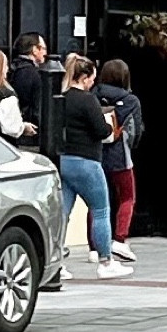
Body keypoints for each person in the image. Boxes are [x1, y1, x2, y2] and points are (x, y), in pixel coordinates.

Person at [59, 58, 129, 280]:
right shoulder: (87, 100)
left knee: (62, 214)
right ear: (84, 77)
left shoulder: (60, 98)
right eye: (91, 77)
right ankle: (106, 262)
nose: (93, 82)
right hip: (87, 161)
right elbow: (101, 130)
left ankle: (56, 263)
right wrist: (109, 124)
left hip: (64, 160)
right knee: (100, 210)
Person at [96, 58, 144, 263]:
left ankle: (94, 247)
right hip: (120, 155)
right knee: (127, 197)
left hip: (95, 154)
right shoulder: (131, 100)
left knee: (98, 201)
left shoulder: (93, 95)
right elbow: (135, 132)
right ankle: (119, 239)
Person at [8, 33, 47, 143]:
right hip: (28, 133)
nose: (46, 53)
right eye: (43, 48)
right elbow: (36, 106)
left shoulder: (12, 70)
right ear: (34, 50)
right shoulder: (34, 74)